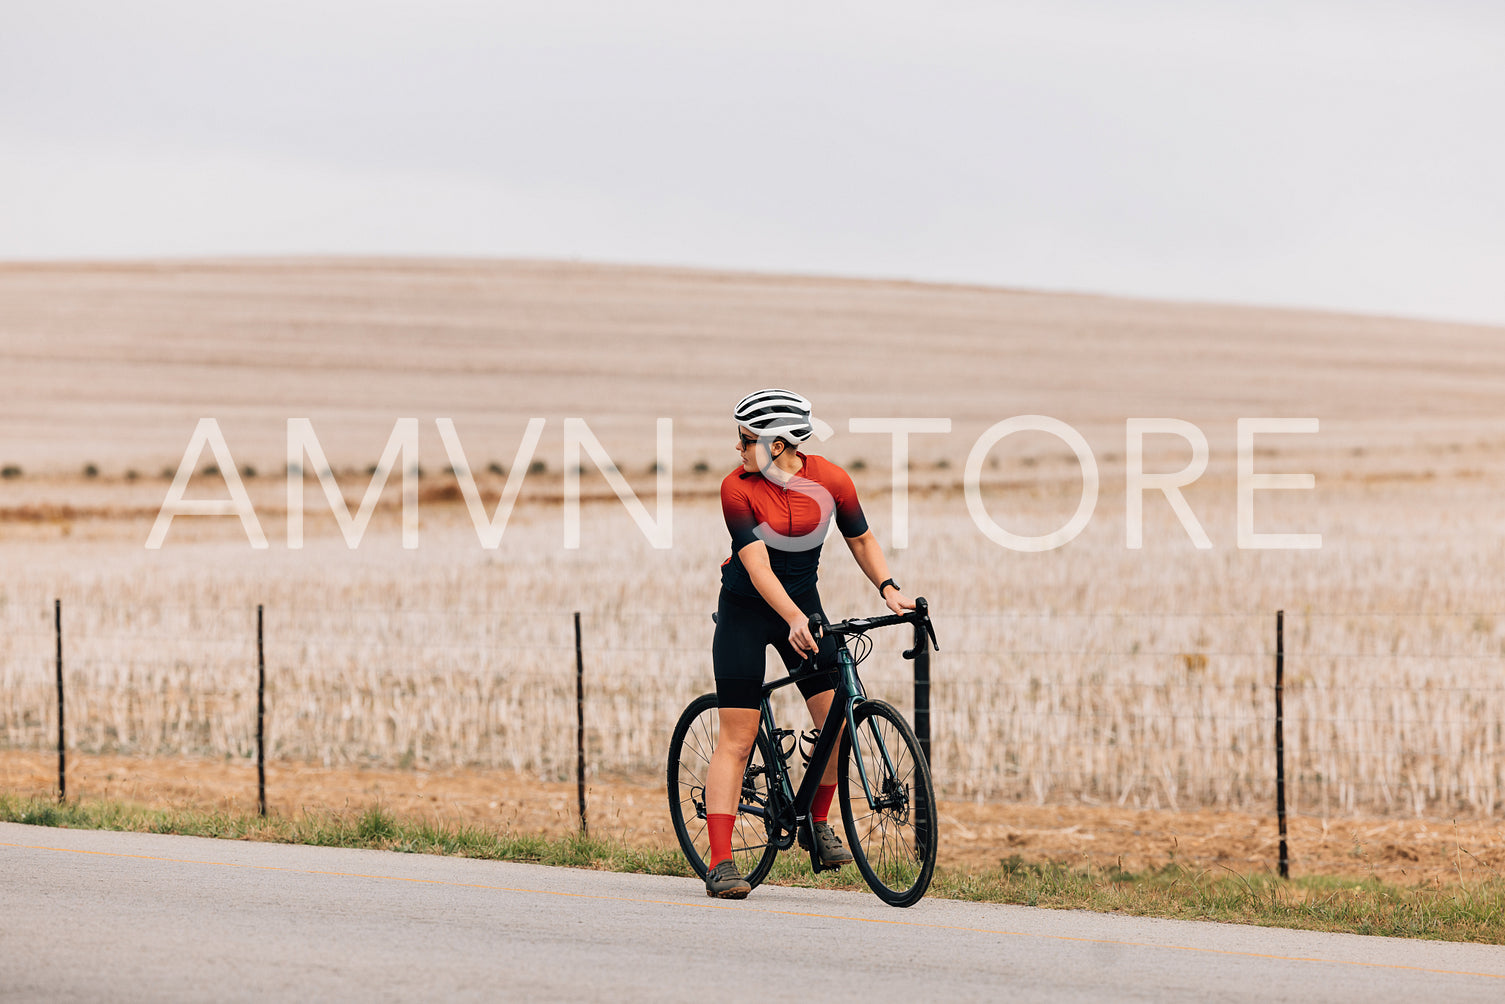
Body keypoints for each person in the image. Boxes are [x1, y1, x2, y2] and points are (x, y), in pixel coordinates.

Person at [703, 388, 917, 898]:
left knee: (836, 725)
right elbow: (756, 565)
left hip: (803, 609)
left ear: (777, 444)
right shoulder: (737, 489)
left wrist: (889, 589)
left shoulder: (831, 480)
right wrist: (795, 617)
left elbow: (860, 538)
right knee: (737, 736)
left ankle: (816, 825)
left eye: (746, 438)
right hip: (748, 614)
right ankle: (721, 862)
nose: (737, 447)